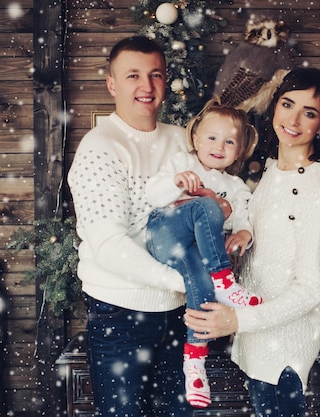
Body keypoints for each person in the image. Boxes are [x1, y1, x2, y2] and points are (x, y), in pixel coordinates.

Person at [67, 36, 228, 416]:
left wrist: (226, 212)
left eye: (155, 75)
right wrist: (187, 282)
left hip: (179, 314)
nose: (146, 86)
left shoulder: (182, 140)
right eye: (133, 75)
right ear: (112, 84)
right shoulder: (100, 147)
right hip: (121, 314)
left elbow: (209, 205)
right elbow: (108, 244)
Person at [183, 67, 320, 417]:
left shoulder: (319, 188)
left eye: (310, 112)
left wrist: (238, 321)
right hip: (256, 343)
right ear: (274, 106)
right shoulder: (273, 170)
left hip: (284, 350)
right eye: (288, 104)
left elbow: (309, 289)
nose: (294, 119)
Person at [144, 97, 262, 408]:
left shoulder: (235, 185)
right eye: (211, 137)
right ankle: (225, 281)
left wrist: (243, 233)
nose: (219, 146)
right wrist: (175, 182)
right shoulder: (183, 163)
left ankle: (194, 364)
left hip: (194, 252)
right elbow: (152, 194)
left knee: (202, 285)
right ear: (195, 138)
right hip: (165, 234)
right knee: (207, 206)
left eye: (229, 141)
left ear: (239, 150)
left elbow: (244, 217)